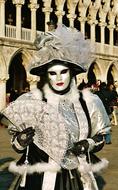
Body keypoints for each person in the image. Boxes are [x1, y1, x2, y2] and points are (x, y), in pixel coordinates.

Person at [0, 25, 108, 190]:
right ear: (46, 75)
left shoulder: (90, 102)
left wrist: (87, 144)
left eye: (63, 72)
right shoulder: (31, 101)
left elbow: (102, 136)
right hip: (37, 177)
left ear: (71, 73)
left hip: (75, 178)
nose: (59, 78)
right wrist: (22, 140)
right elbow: (17, 145)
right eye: (52, 73)